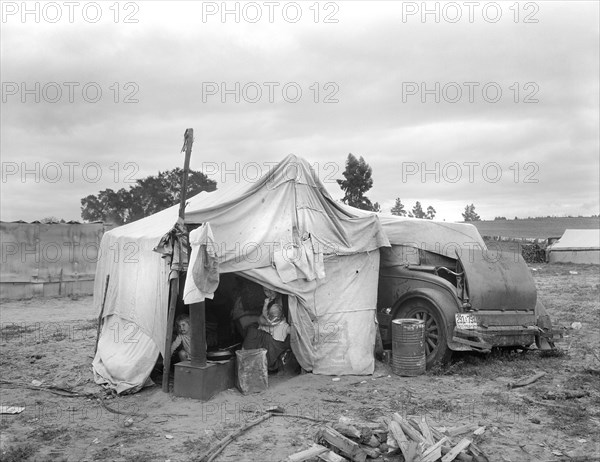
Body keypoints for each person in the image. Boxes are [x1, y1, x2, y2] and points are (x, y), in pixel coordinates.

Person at [242, 288, 291, 371]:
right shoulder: (270, 301)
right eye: (265, 291)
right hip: (269, 332)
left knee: (269, 339)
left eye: (271, 290)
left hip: (278, 339)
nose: (269, 294)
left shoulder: (288, 299)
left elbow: (294, 331)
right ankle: (244, 358)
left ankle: (268, 364)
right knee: (252, 330)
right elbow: (261, 318)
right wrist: (267, 322)